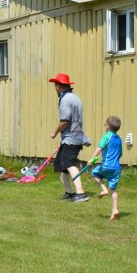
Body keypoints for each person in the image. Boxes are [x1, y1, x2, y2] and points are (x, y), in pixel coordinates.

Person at [49, 72, 89, 202]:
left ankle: (80, 193)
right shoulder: (76, 98)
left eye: (55, 85)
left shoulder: (65, 99)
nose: (55, 88)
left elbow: (65, 121)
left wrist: (55, 132)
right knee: (60, 166)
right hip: (72, 137)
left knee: (69, 164)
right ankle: (69, 192)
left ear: (58, 86)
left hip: (71, 138)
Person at [89, 116, 123, 220]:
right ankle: (115, 210)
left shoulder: (107, 136)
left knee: (94, 173)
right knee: (113, 189)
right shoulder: (119, 139)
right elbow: (120, 154)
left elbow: (100, 148)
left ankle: (104, 190)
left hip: (107, 165)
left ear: (107, 126)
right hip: (117, 168)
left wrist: (92, 159)